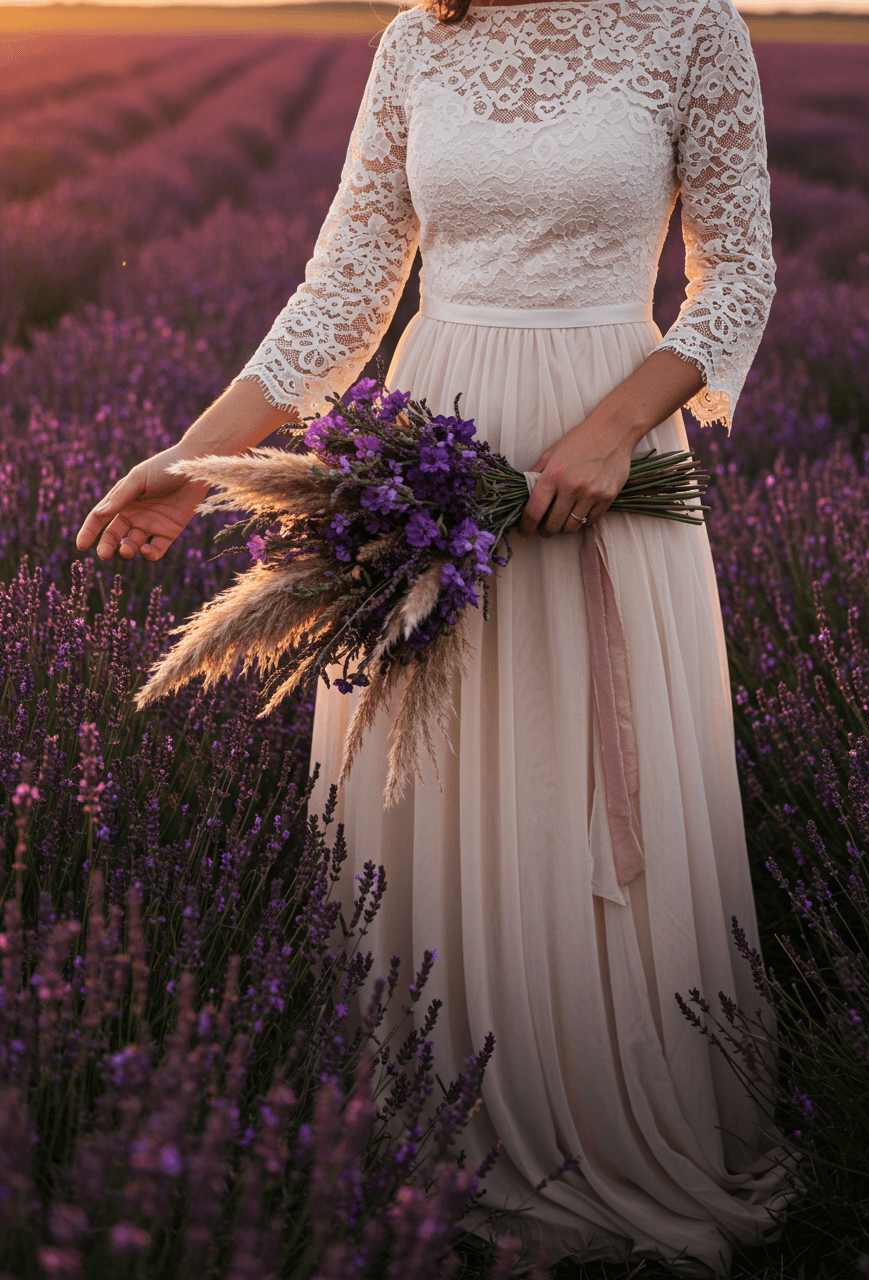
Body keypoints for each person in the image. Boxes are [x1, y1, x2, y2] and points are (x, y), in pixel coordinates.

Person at [77, 0, 791, 1269]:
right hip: (430, 447)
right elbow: (343, 290)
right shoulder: (418, 38)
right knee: (428, 771)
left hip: (601, 445)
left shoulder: (689, 23)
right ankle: (430, 1120)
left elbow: (735, 273)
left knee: (583, 776)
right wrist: (197, 460)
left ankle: (599, 1117)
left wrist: (613, 429)